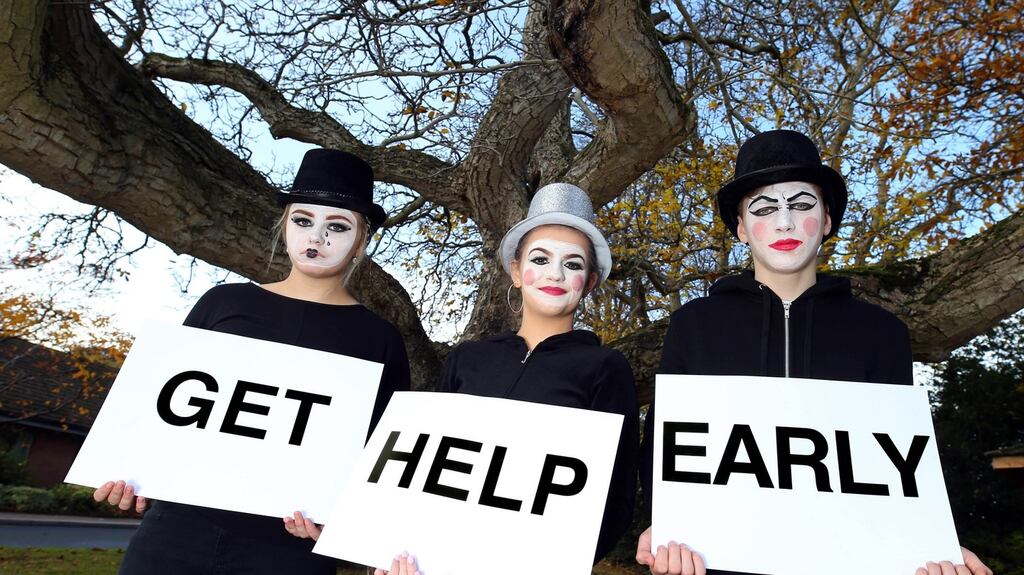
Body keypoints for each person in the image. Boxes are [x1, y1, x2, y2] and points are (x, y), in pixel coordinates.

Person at [633, 130, 993, 575]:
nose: (784, 222)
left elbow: (899, 464)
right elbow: (669, 448)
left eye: (801, 204)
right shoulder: (694, 325)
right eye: (764, 208)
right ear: (742, 228)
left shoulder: (882, 334)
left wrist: (933, 546)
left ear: (826, 220)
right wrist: (667, 525)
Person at [93, 149, 410, 574]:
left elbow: (381, 460)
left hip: (288, 550)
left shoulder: (380, 340)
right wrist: (130, 472)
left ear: (361, 242)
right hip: (176, 532)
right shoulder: (223, 302)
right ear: (284, 226)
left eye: (337, 226)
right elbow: (161, 410)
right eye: (303, 221)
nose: (316, 238)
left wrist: (341, 525)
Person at [373, 183, 640, 575]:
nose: (556, 274)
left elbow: (614, 499)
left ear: (591, 281)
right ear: (516, 271)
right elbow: (422, 467)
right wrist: (395, 548)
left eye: (573, 264)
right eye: (540, 258)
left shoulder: (606, 368)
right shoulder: (468, 359)